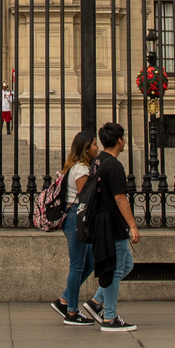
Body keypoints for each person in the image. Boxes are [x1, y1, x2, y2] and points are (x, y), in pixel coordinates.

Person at [83, 121, 140, 332]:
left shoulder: (97, 161)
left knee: (125, 265)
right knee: (115, 269)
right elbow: (120, 198)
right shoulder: (114, 165)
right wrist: (132, 225)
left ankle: (96, 302)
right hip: (112, 223)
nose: (124, 142)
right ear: (119, 140)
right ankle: (110, 317)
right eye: (123, 138)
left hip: (101, 220)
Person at [50, 130, 98, 324]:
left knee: (90, 262)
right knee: (77, 265)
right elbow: (86, 198)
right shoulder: (81, 170)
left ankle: (64, 299)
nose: (97, 147)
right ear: (86, 149)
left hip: (73, 217)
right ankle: (71, 311)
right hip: (76, 217)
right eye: (94, 144)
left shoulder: (74, 167)